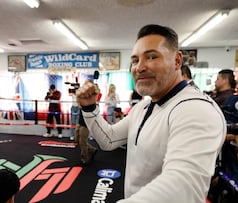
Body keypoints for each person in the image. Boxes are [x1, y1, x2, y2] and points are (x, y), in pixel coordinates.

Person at [76, 24, 226, 203]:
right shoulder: (144, 107)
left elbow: (183, 188)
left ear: (177, 61)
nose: (139, 67)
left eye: (152, 57)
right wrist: (89, 107)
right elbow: (109, 140)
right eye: (134, 60)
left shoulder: (196, 109)